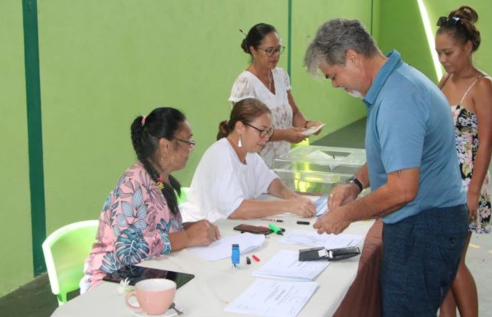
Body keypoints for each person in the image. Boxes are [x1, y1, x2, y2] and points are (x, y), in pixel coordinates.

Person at [304, 18, 468, 316]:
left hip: (423, 228)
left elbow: (403, 189)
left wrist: (346, 215)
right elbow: (394, 156)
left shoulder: (398, 98)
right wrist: (355, 185)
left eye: (333, 75)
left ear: (352, 57)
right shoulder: (395, 85)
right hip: (424, 224)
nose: (336, 84)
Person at [80, 107, 220, 293]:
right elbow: (127, 251)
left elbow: (157, 227)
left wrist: (191, 229)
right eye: (187, 141)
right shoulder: (132, 184)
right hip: (112, 281)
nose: (191, 148)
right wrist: (186, 238)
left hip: (147, 272)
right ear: (165, 145)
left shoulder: (160, 180)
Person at [436, 6, 492, 317]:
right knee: (440, 262)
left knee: (453, 262)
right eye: (439, 54)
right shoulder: (445, 80)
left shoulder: (483, 86)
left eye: (448, 52)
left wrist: (473, 192)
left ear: (468, 47)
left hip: (464, 185)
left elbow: (486, 144)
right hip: (441, 183)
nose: (444, 60)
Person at [180, 98, 316, 222]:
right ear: (240, 127)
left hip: (222, 229)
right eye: (261, 131)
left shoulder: (250, 154)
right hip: (197, 231)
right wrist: (288, 206)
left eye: (269, 131)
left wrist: (294, 198)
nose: (266, 137)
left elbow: (270, 182)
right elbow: (236, 209)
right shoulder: (221, 154)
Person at [229, 23, 324, 167]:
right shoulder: (245, 84)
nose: (276, 55)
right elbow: (247, 130)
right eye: (269, 51)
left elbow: (294, 112)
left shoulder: (281, 76)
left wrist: (306, 125)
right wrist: (285, 134)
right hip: (257, 165)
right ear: (253, 51)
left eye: (278, 49)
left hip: (284, 163)